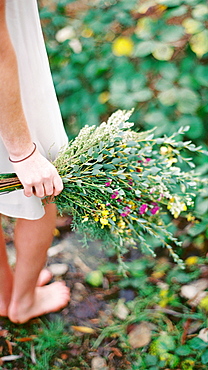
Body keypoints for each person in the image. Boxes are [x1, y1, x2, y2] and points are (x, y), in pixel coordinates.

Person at [0, 0, 70, 323]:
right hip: (8, 79)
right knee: (43, 190)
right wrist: (23, 152)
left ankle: (4, 291)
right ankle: (23, 301)